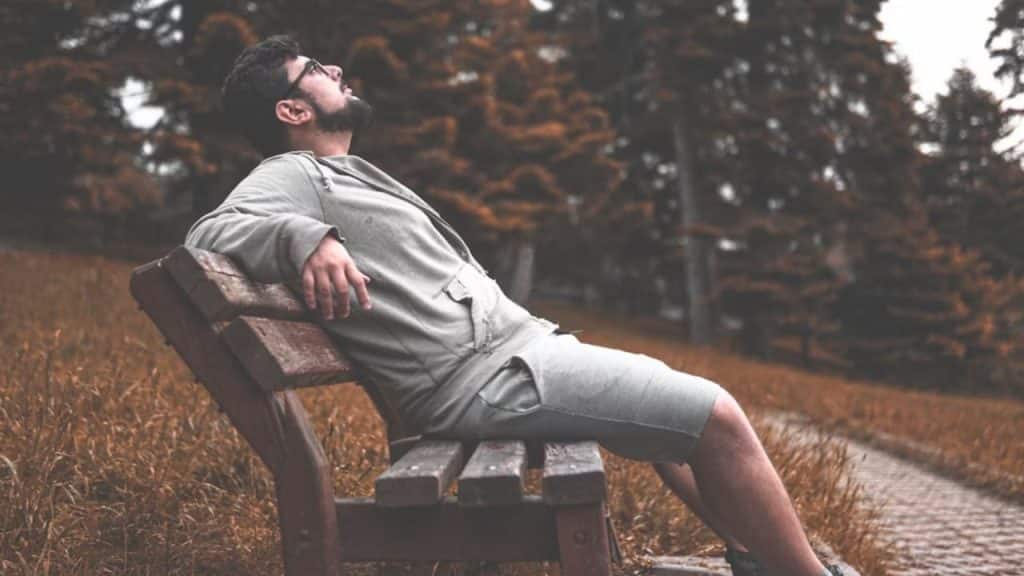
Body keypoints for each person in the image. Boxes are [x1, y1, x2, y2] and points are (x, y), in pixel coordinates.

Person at [186, 36, 850, 576]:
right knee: (719, 416)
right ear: (292, 110)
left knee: (666, 415)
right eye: (315, 70)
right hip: (488, 380)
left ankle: (753, 557)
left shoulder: (339, 173)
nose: (335, 69)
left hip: (514, 357)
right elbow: (206, 236)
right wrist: (304, 239)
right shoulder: (295, 174)